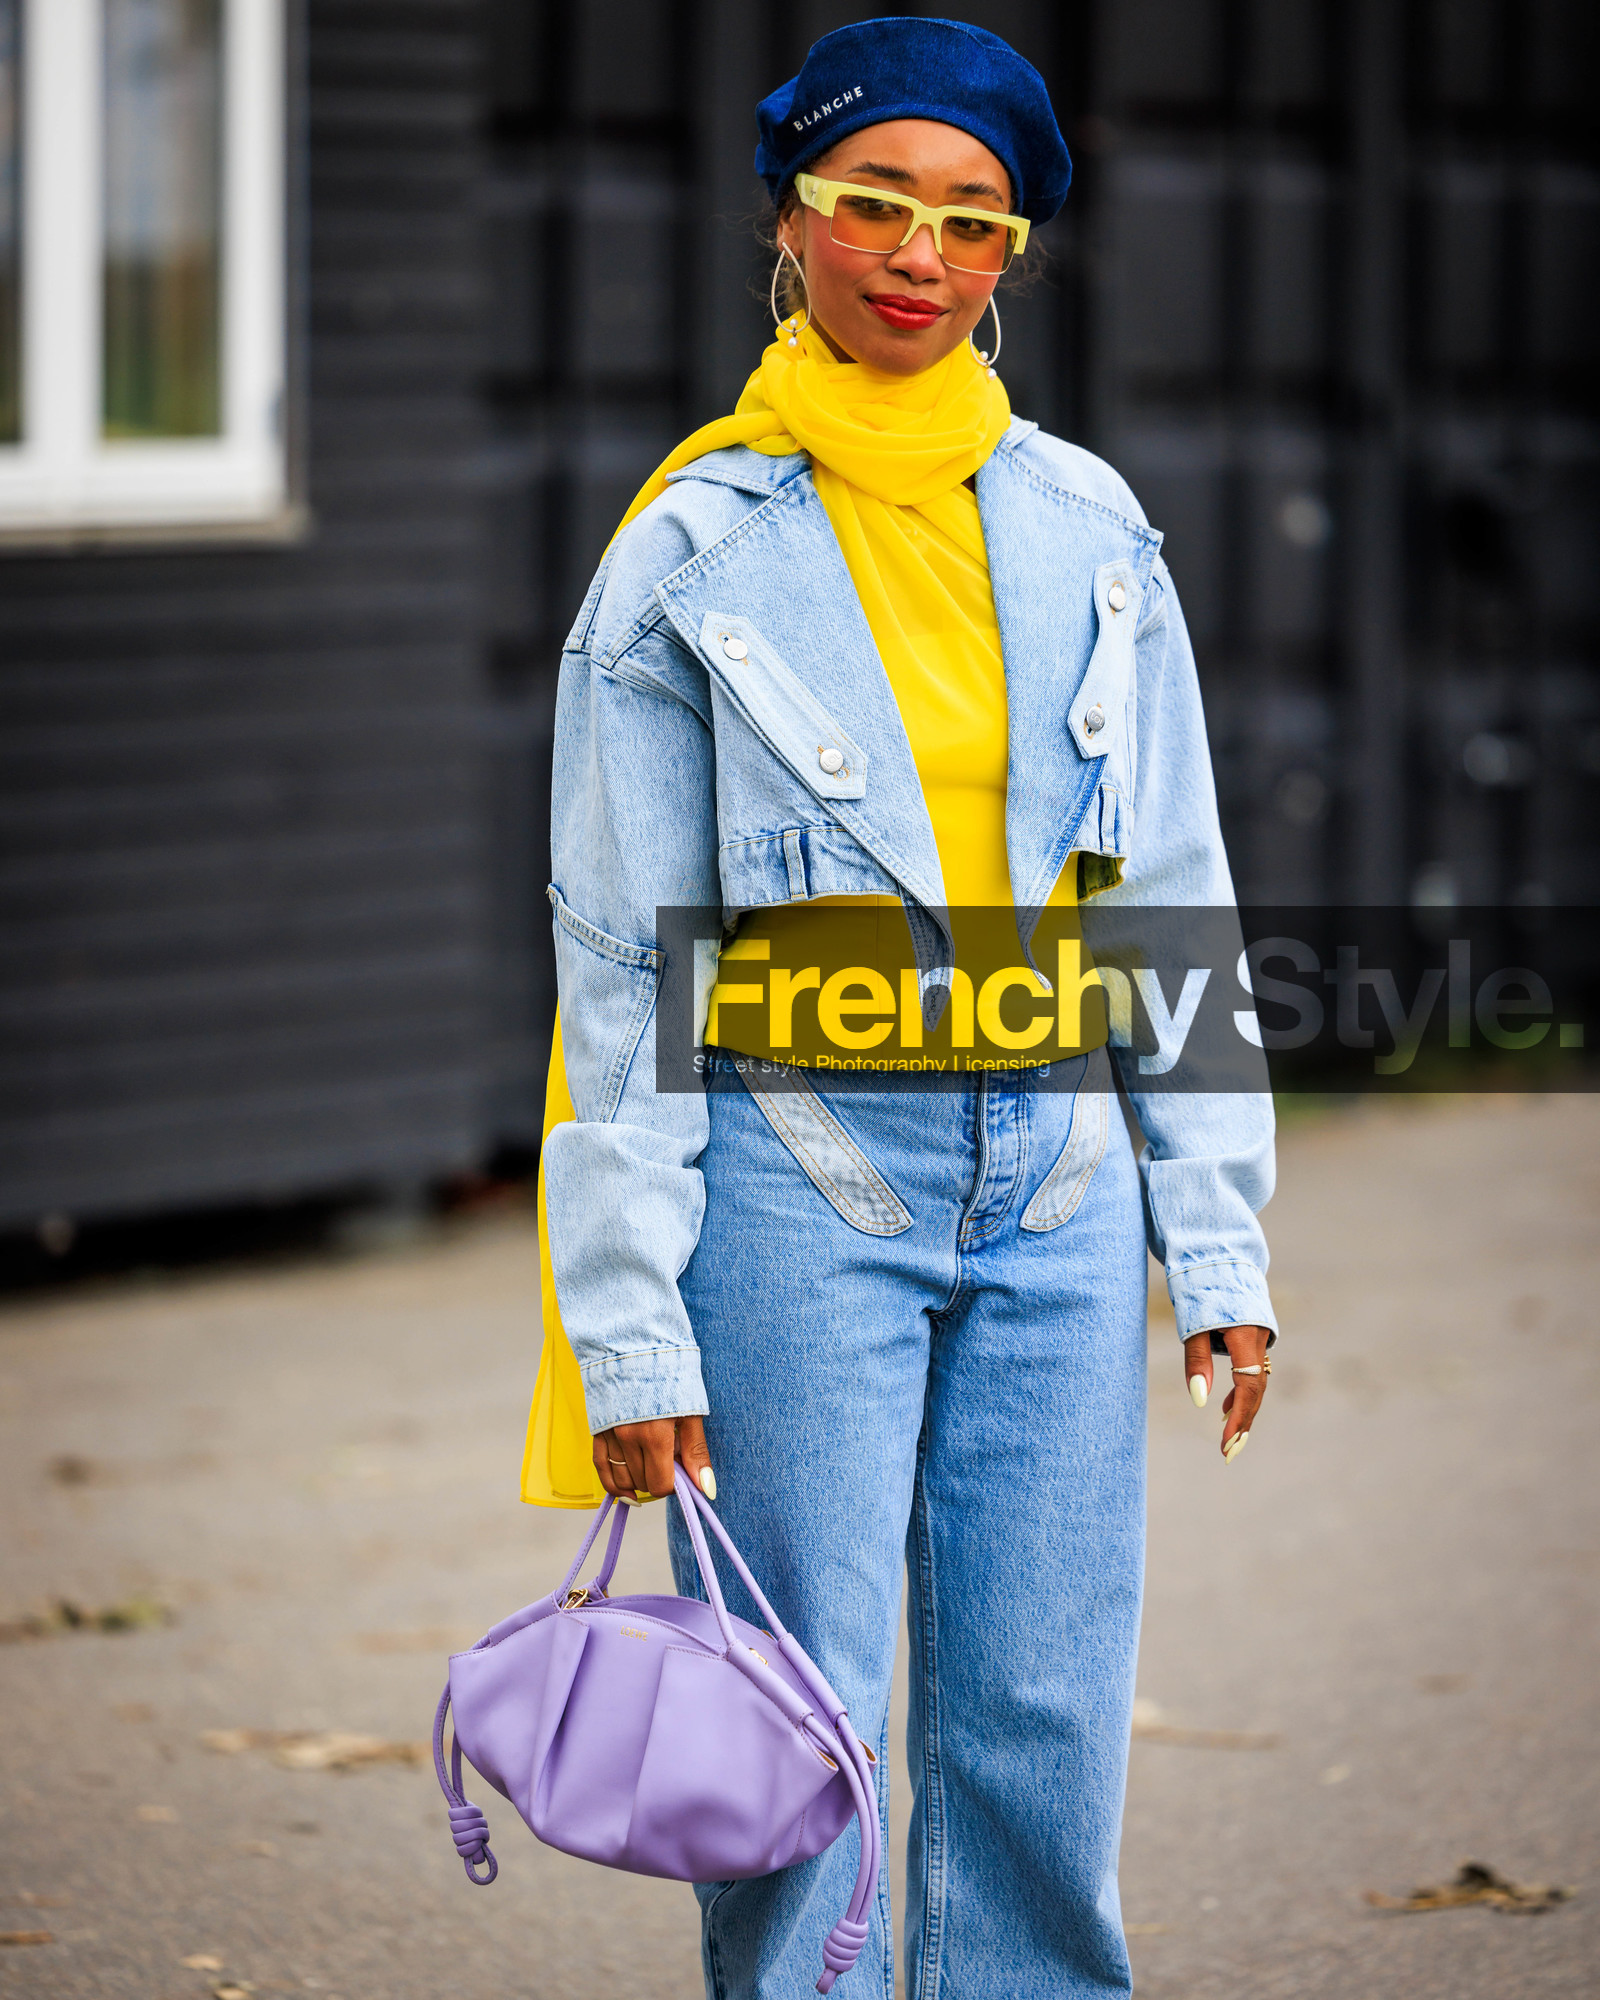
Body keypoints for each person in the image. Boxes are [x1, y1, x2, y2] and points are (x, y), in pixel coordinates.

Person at [531, 19, 1278, 1998]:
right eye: (871, 202)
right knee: (795, 1736)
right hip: (790, 1195)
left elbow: (1164, 889)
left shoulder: (1090, 531)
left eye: (968, 216)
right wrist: (625, 1319)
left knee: (1037, 1732)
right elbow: (620, 967)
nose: (914, 254)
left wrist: (1211, 1231)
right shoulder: (688, 557)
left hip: (1058, 1187)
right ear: (789, 217)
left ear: (1012, 248)